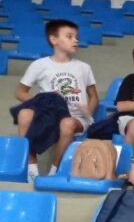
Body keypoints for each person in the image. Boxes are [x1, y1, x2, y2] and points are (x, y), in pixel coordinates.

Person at [16, 19, 97, 179]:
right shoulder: (39, 65)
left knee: (67, 123)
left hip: (76, 118)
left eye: (77, 37)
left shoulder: (84, 67)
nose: (75, 40)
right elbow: (20, 92)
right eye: (69, 36)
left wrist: (88, 111)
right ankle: (32, 170)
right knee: (24, 114)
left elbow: (93, 96)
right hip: (49, 115)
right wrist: (40, 104)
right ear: (54, 40)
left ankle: (55, 172)